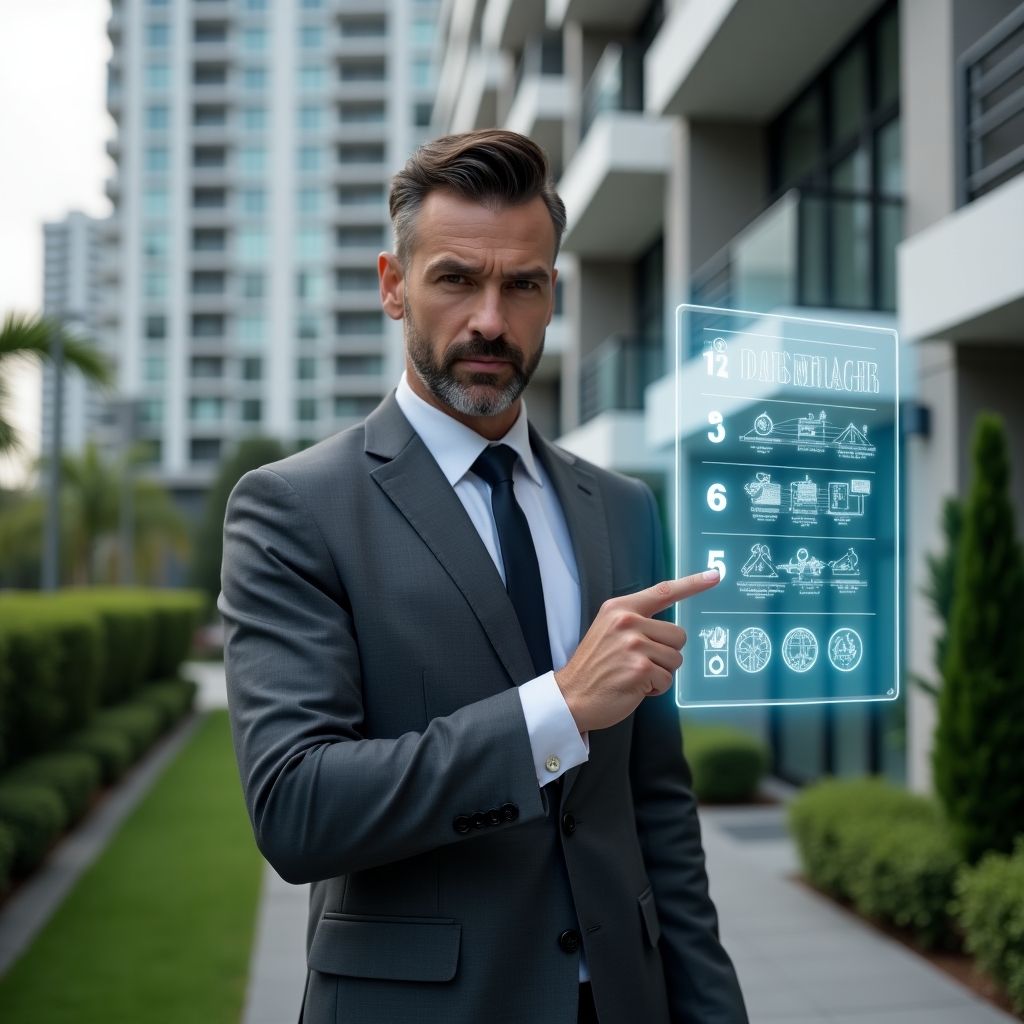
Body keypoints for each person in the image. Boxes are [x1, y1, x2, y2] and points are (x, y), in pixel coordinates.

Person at [221, 129, 748, 1024]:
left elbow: (654, 804)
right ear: (394, 285)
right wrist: (556, 712)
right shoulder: (292, 508)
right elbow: (297, 808)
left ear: (554, 295)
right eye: (457, 279)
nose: (491, 322)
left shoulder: (623, 508)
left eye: (523, 285)